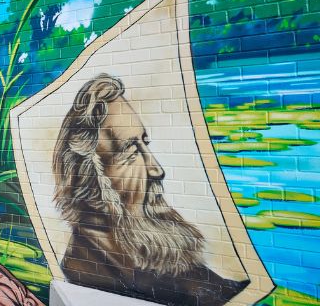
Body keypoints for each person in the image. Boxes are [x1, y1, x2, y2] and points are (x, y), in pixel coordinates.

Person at [52, 73, 248, 306]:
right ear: (91, 182)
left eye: (144, 143)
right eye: (131, 152)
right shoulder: (94, 268)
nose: (156, 170)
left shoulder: (152, 253)